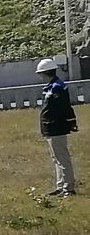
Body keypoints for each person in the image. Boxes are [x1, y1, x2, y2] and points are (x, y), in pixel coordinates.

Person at [38, 57, 78, 196]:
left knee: (62, 158)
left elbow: (64, 107)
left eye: (41, 73)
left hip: (56, 127)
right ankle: (61, 185)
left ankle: (69, 188)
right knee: (56, 158)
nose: (40, 76)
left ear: (45, 73)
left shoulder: (58, 87)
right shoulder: (51, 87)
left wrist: (70, 122)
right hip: (50, 127)